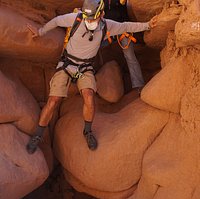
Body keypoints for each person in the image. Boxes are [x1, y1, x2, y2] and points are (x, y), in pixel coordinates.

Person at [26, 0, 157, 154]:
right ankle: (38, 135)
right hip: (67, 65)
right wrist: (40, 31)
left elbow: (126, 26)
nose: (90, 21)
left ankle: (87, 131)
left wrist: (148, 25)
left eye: (93, 18)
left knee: (89, 97)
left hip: (85, 67)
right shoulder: (77, 18)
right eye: (88, 18)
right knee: (53, 100)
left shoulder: (108, 25)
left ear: (101, 14)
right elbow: (56, 21)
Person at [103, 0, 145, 92]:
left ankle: (139, 84)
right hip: (108, 31)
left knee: (130, 57)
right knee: (93, 48)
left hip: (122, 29)